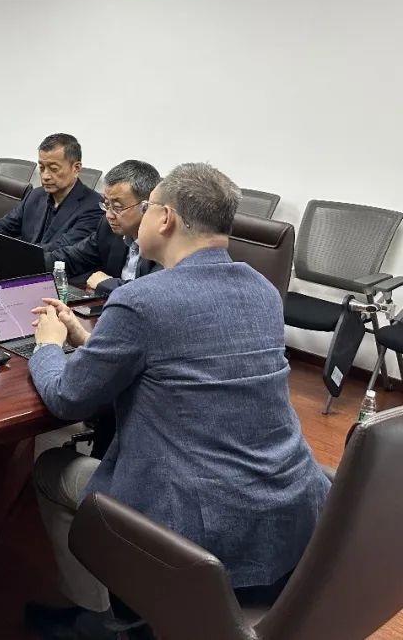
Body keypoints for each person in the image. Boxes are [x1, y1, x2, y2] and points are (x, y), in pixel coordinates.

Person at [25, 163, 330, 639]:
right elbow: (186, 365)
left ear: (164, 218)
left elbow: (67, 398)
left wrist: (47, 345)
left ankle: (105, 619)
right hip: (288, 508)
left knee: (49, 467)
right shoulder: (263, 291)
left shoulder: (142, 300)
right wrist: (89, 340)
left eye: (147, 208)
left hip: (193, 525)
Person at [0, 133, 104, 278]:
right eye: (42, 168)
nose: (45, 176)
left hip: (61, 280)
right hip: (25, 274)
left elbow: (61, 247)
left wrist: (8, 256)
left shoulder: (93, 207)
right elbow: (2, 226)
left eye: (54, 169)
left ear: (76, 168)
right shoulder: (36, 195)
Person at [44, 160, 163, 296]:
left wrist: (106, 283)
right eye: (107, 205)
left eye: (117, 207)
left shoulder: (164, 240)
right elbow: (72, 258)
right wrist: (32, 263)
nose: (109, 215)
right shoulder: (108, 229)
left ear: (145, 207)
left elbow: (152, 293)